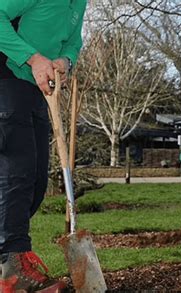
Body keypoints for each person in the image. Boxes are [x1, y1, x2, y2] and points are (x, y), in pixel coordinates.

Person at [0, 1, 87, 291]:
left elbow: (74, 41)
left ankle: (12, 262)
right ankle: (12, 271)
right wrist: (34, 58)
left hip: (36, 89)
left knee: (36, 182)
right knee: (17, 177)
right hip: (7, 81)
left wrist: (65, 60)